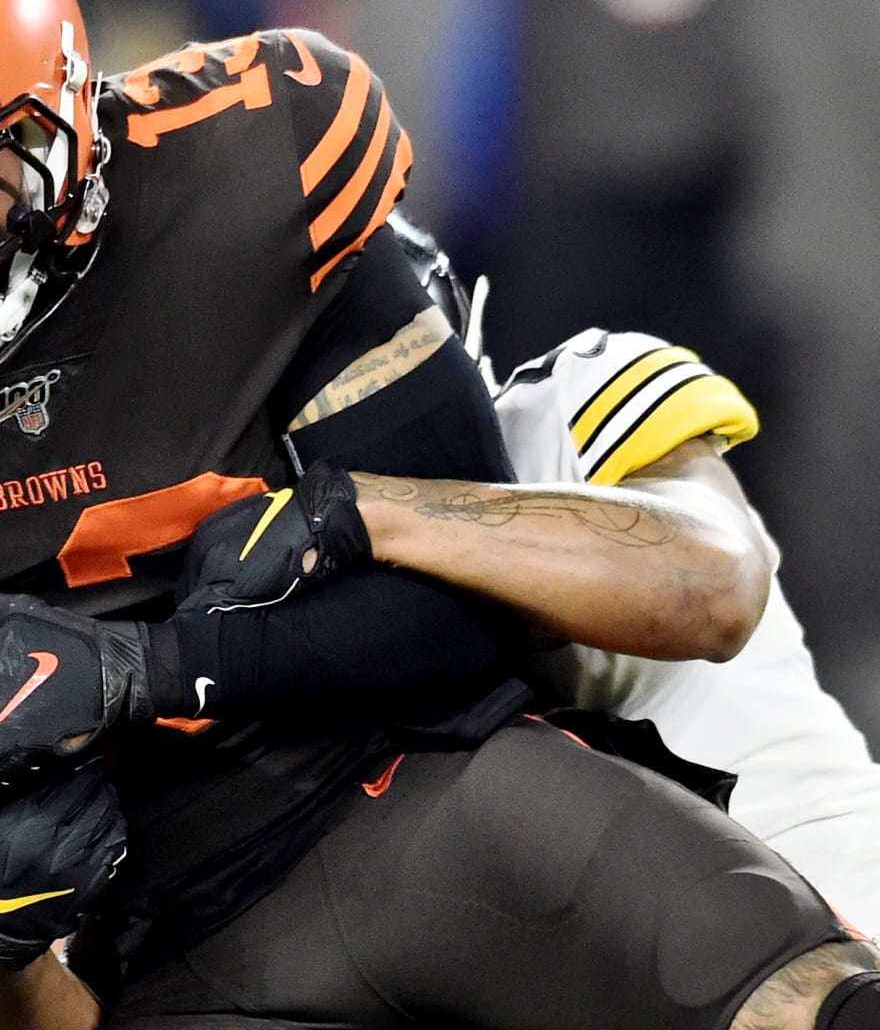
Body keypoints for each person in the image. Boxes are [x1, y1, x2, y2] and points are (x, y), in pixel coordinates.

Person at [0, 0, 876, 1030]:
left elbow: (519, 613)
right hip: (167, 924)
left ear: (61, 126)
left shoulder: (260, 170)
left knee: (813, 963)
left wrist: (146, 664)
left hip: (440, 778)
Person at [191, 214, 880, 941]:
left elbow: (711, 588)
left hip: (830, 907)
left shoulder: (564, 401)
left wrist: (368, 510)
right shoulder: (263, 596)